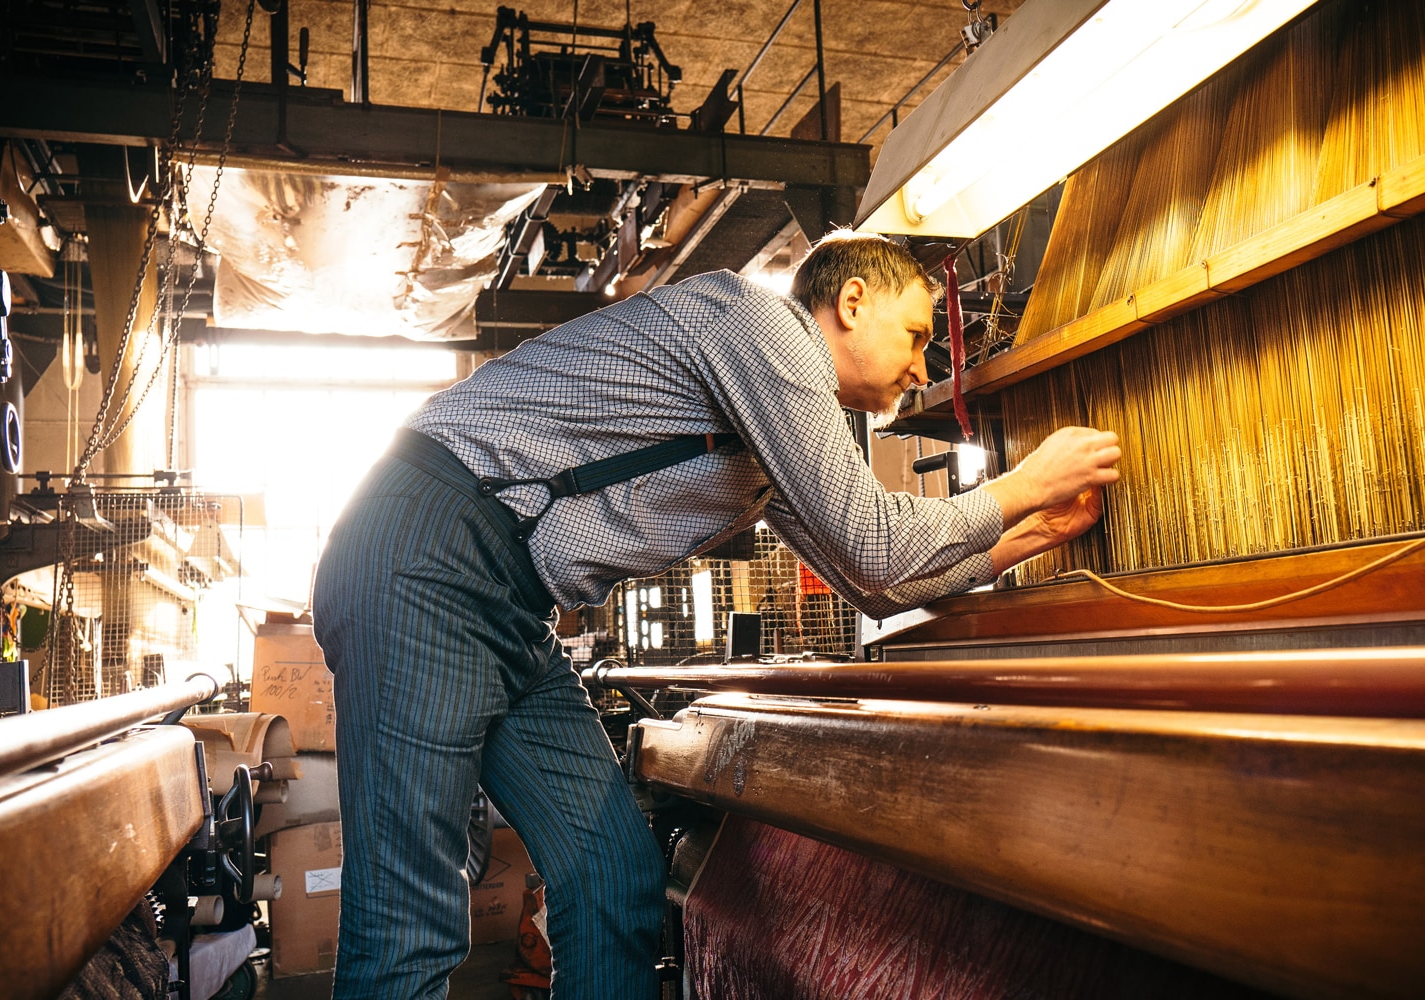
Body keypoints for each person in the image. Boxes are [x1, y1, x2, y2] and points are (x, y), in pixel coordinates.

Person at [311, 230, 1121, 999]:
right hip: (426, 550)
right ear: (853, 301)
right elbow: (875, 545)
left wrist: (1025, 538)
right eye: (915, 335)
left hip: (507, 599)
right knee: (410, 918)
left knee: (614, 874)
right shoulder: (762, 327)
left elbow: (874, 587)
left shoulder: (775, 431)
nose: (920, 366)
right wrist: (1020, 486)